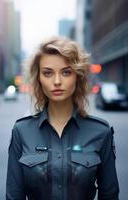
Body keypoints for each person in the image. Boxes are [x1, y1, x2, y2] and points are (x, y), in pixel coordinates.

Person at [6, 37, 119, 200]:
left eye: (66, 72)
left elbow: (109, 195)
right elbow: (13, 196)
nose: (57, 81)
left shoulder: (101, 132)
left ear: (77, 76)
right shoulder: (21, 131)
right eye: (48, 73)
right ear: (39, 78)